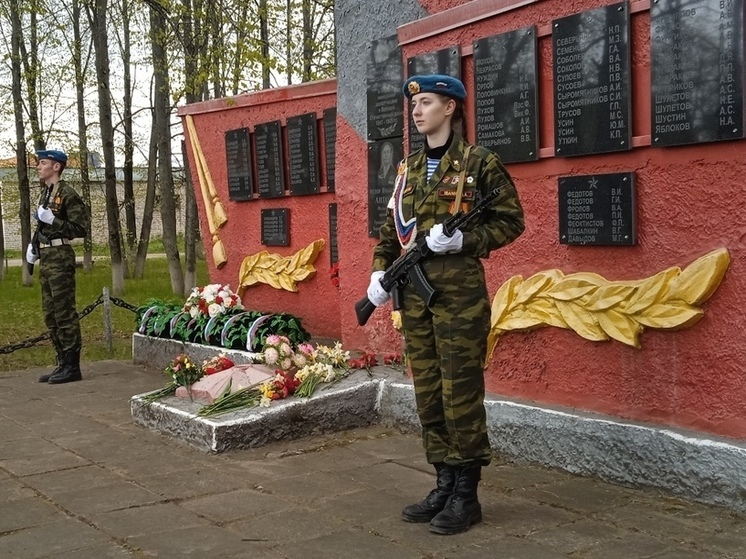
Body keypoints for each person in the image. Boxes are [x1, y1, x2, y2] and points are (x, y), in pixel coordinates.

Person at [366, 75, 525, 535]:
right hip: (414, 299)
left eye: (427, 103)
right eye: (414, 105)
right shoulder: (409, 168)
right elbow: (387, 230)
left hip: (458, 298)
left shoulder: (479, 163)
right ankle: (443, 481)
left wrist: (465, 240)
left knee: (460, 394)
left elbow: (512, 221)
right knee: (429, 393)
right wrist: (380, 270)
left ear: (451, 108)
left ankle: (466, 494)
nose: (417, 112)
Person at [26, 150, 89, 384]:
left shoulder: (67, 193)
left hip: (61, 255)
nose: (39, 167)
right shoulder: (46, 193)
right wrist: (34, 246)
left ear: (56, 167)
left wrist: (54, 220)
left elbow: (80, 228)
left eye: (43, 163)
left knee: (64, 312)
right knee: (50, 313)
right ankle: (62, 362)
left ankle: (72, 366)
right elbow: (42, 228)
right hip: (47, 254)